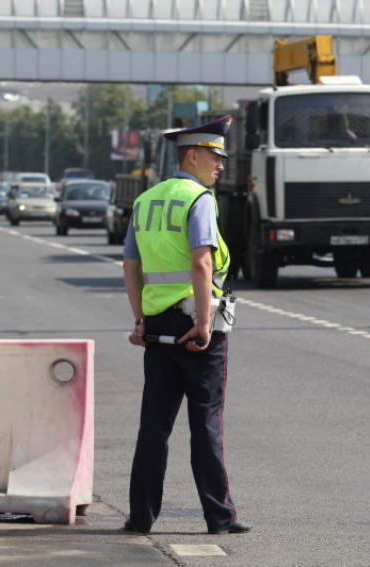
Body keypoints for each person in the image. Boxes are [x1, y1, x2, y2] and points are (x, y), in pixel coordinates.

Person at [121, 115, 252, 535]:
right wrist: (203, 323)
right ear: (192, 156)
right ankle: (219, 516)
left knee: (154, 427)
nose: (221, 166)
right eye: (215, 157)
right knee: (206, 422)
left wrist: (139, 318)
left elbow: (130, 264)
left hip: (157, 325)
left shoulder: (145, 200)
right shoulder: (199, 200)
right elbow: (201, 261)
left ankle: (141, 517)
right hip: (196, 325)